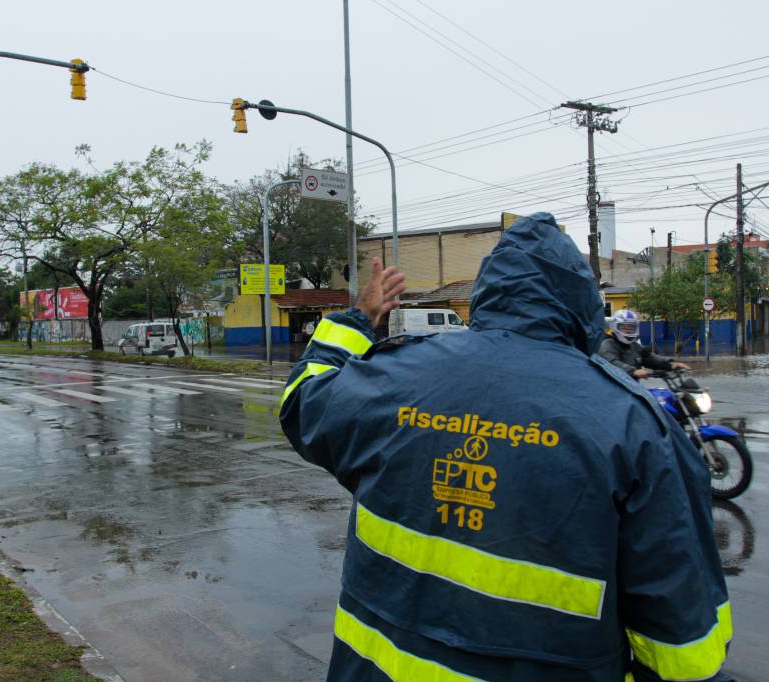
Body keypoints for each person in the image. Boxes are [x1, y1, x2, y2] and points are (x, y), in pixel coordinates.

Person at [280, 213, 732, 682]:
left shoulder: (391, 377)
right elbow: (683, 650)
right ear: (583, 304)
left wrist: (359, 318)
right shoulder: (634, 424)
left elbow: (302, 402)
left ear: (487, 293)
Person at [599, 309, 691, 379]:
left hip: (632, 389)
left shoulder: (634, 346)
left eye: (631, 328)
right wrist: (633, 371)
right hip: (615, 391)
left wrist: (670, 364)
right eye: (624, 327)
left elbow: (649, 357)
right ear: (614, 327)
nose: (628, 331)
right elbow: (612, 363)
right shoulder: (608, 344)